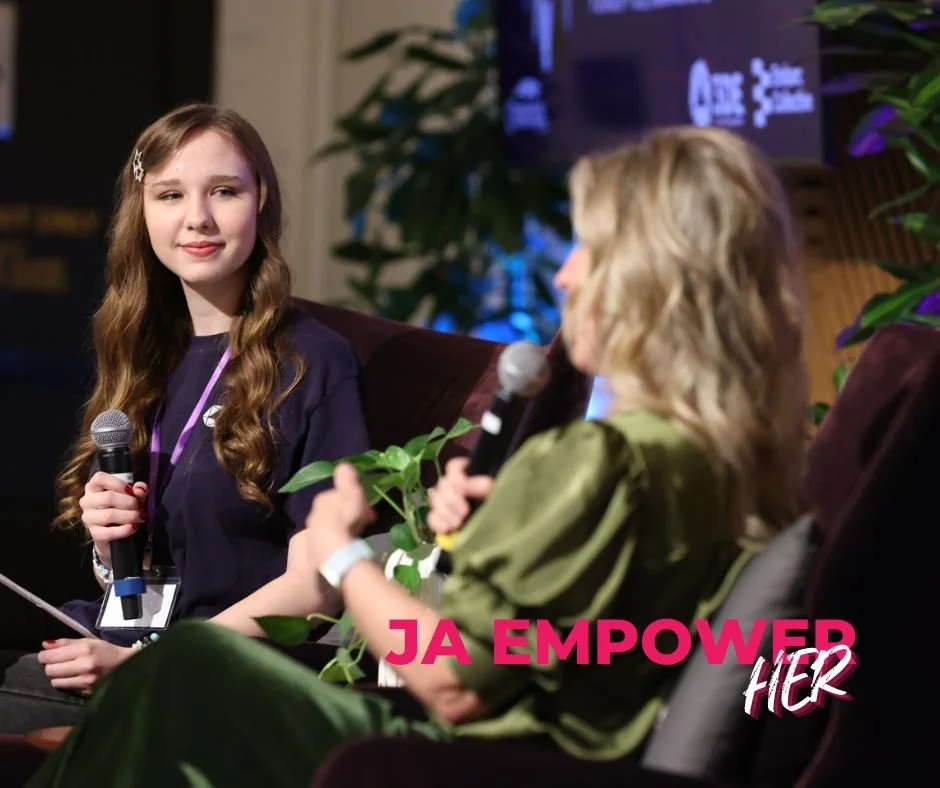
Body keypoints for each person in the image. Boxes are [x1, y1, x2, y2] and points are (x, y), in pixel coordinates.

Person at [25, 124, 808, 787]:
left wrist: (342, 555)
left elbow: (451, 679)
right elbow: (570, 642)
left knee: (182, 671)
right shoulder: (733, 464)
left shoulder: (596, 459)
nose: (567, 275)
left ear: (659, 283)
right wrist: (483, 538)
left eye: (591, 251)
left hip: (451, 760)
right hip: (533, 752)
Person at [0, 103, 371, 734]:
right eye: (170, 194)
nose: (197, 217)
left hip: (219, 677)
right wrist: (109, 544)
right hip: (119, 643)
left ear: (261, 202)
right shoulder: (143, 351)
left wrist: (155, 663)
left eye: (224, 191)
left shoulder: (312, 361)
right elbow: (154, 568)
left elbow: (321, 582)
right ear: (142, 213)